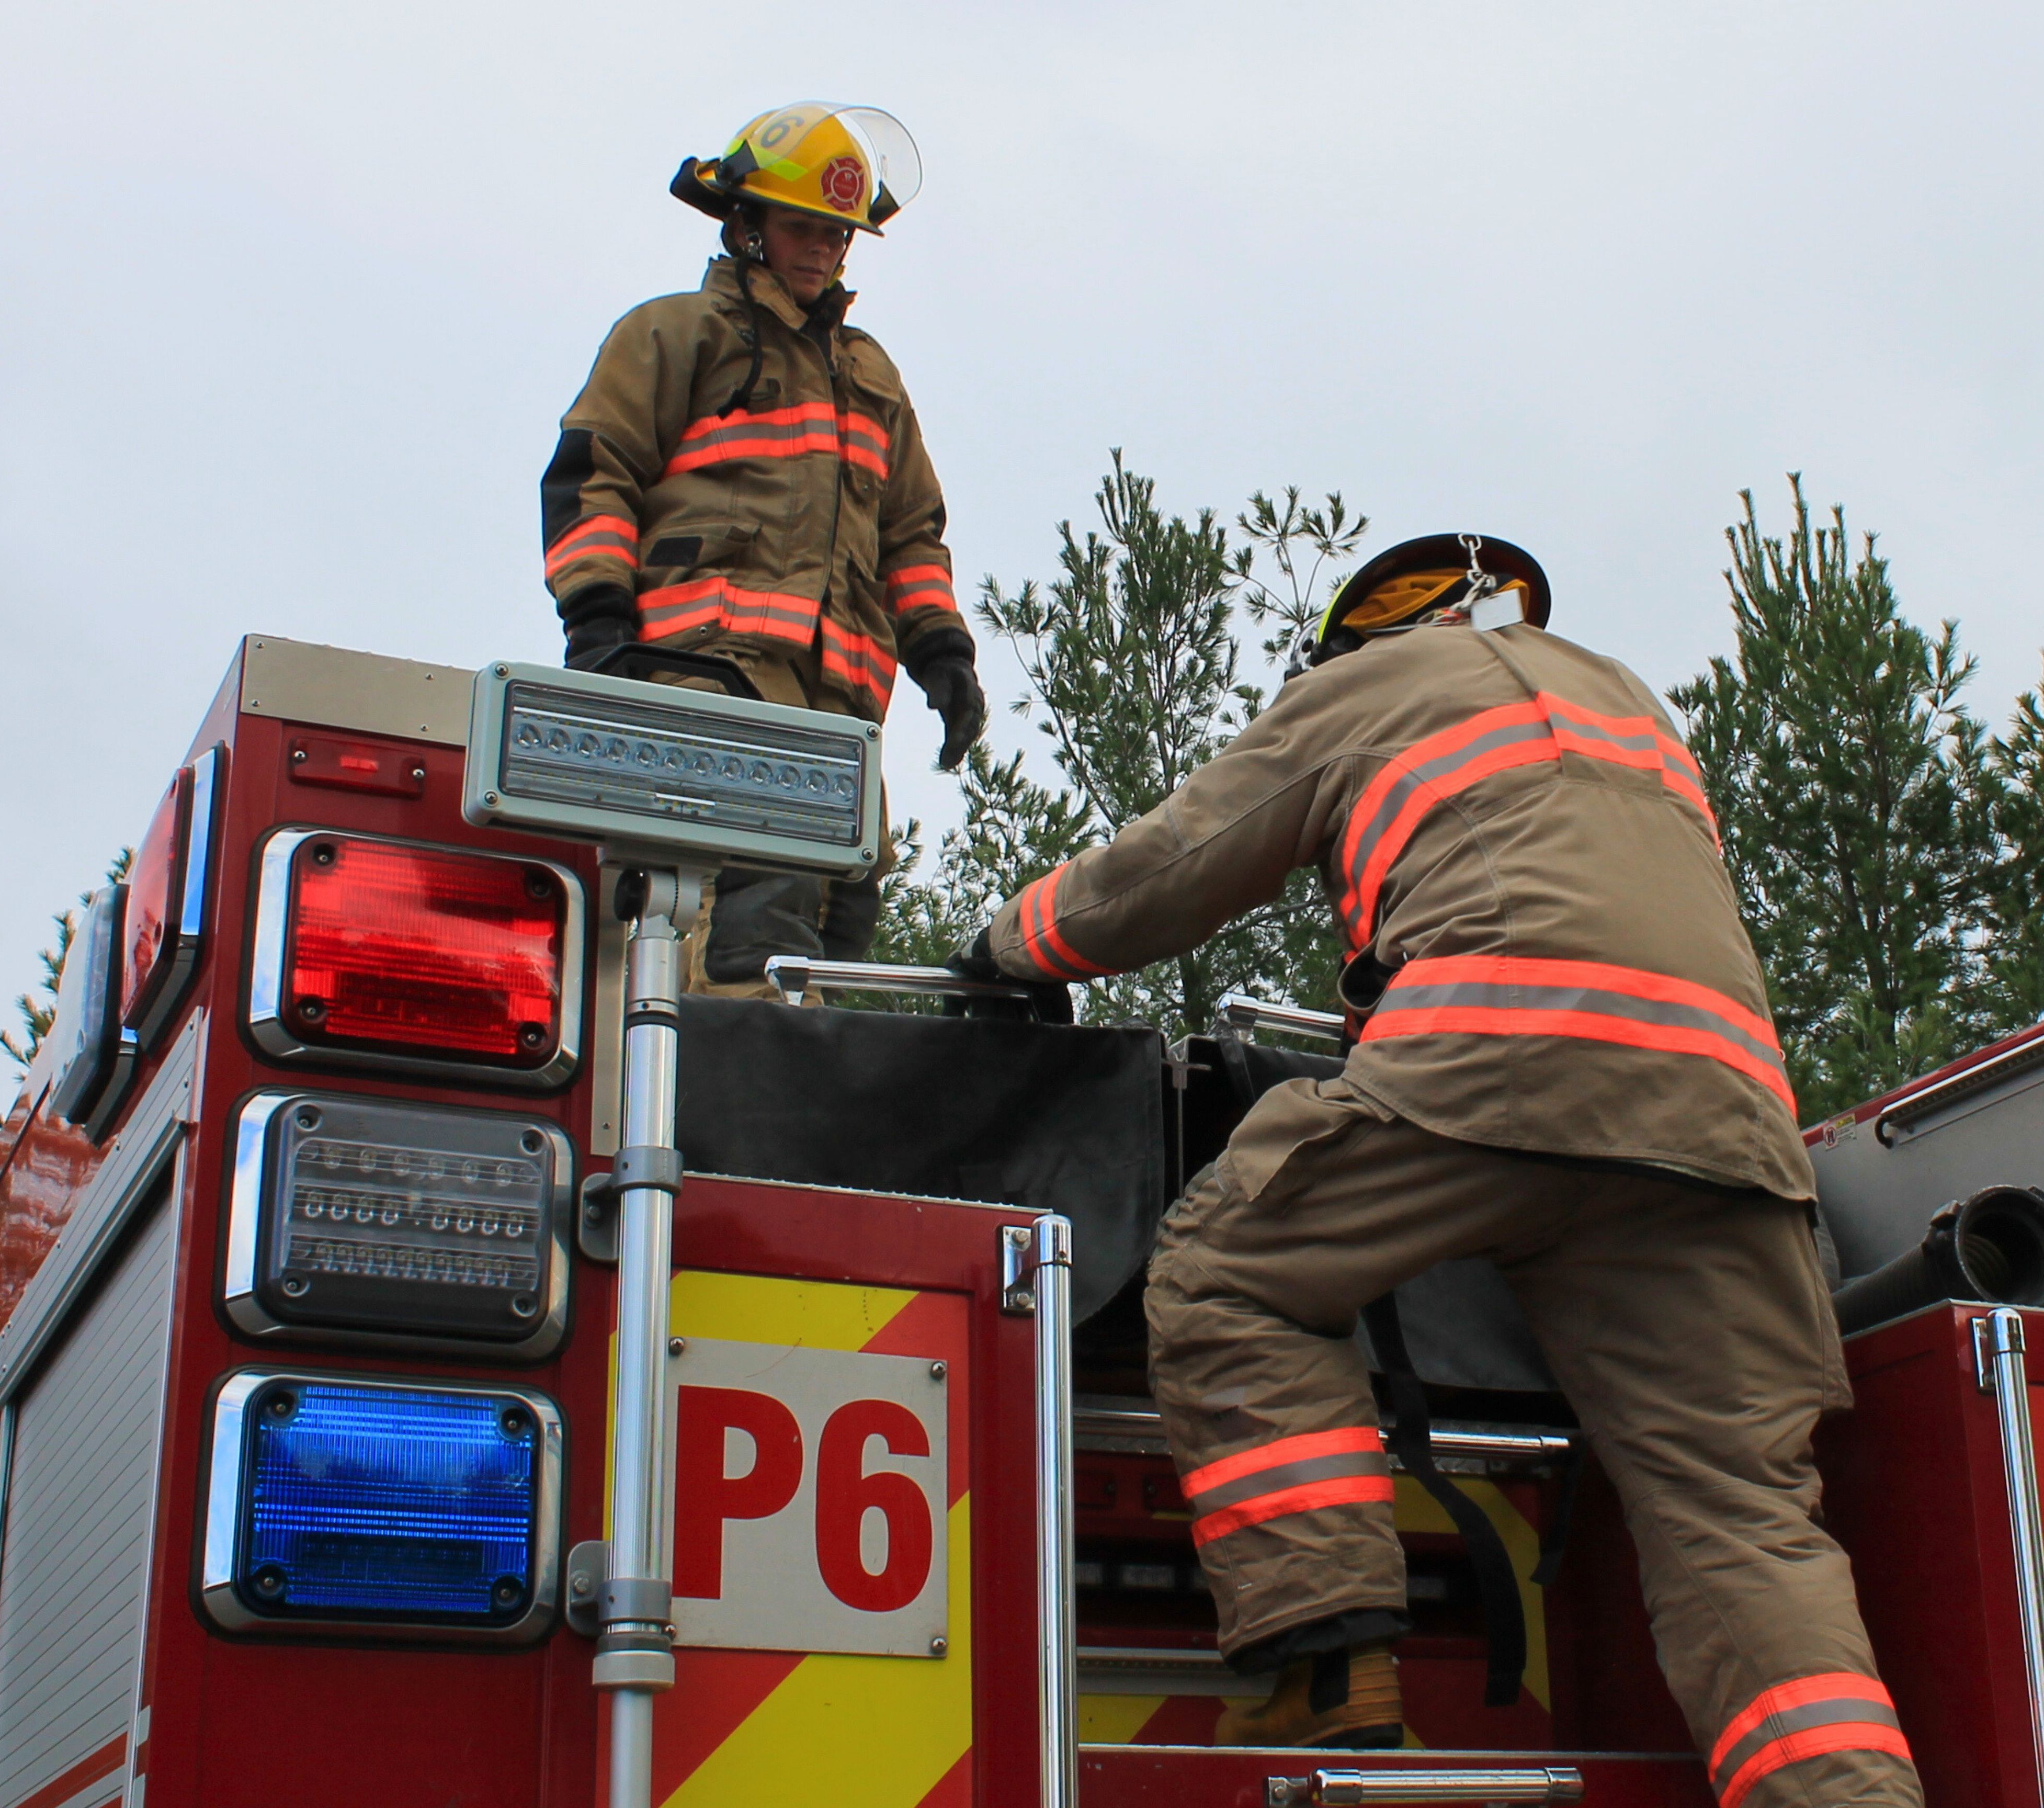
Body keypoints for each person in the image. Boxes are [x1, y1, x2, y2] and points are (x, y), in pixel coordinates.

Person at [952, 535, 1923, 1808]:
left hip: (1501, 1067)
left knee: (1229, 1272)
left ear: (1364, 638)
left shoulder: (1365, 689)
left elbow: (1172, 869)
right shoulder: (1627, 699)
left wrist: (1006, 948)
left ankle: (1331, 1673)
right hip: (1722, 1132)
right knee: (1739, 1516)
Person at [540, 102, 984, 993]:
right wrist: (596, 620)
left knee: (832, 951)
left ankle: (784, 1117)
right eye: (802, 228)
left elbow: (910, 536)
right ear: (746, 224)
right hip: (712, 683)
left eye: (838, 233)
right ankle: (698, 1118)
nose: (823, 249)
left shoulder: (871, 375)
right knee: (740, 953)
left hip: (843, 718)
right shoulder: (675, 336)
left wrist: (942, 651)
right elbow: (594, 475)